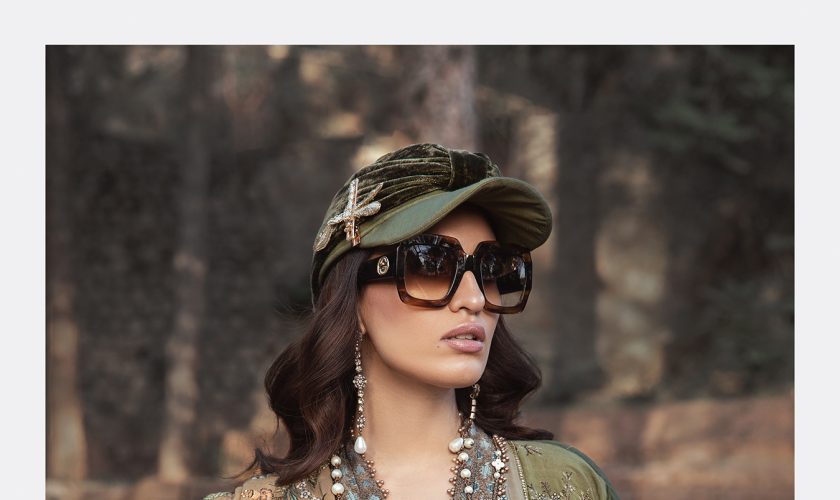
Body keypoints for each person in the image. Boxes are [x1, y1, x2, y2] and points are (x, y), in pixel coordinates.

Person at [205, 143, 620, 500]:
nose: (475, 299)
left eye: (493, 269)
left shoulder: (569, 485)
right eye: (431, 264)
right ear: (352, 303)